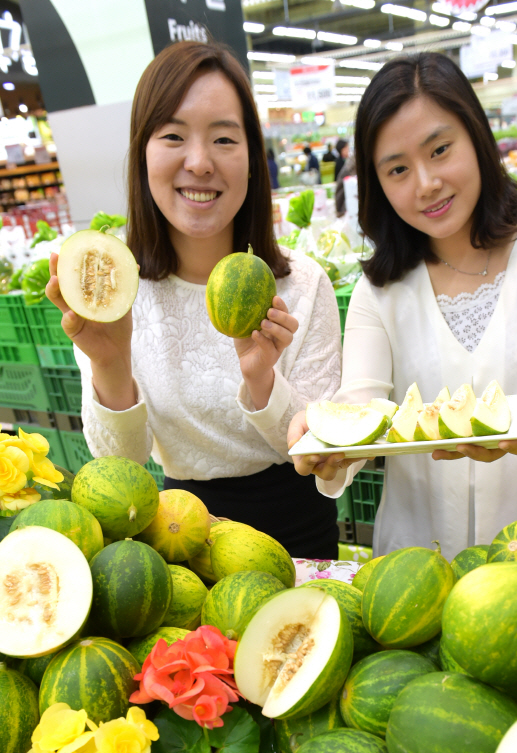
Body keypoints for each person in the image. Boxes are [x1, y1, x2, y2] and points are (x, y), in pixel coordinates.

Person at [290, 52, 517, 559]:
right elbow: (360, 407)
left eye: (439, 150)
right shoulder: (381, 290)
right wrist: (325, 446)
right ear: (377, 184)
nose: (426, 183)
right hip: (413, 571)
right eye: (397, 169)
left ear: (476, 137)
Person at [46, 41, 342, 558]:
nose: (200, 163)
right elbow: (124, 465)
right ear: (143, 153)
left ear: (252, 158)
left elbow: (321, 453)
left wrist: (262, 380)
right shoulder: (116, 289)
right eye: (173, 136)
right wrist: (111, 366)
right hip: (180, 537)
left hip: (298, 539)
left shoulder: (303, 283)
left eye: (224, 138)